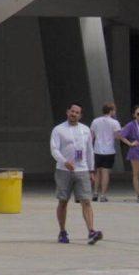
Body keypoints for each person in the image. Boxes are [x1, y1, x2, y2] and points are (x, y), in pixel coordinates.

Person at [50, 102, 103, 245]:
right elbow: (54, 149)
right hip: (64, 170)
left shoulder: (85, 130)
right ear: (67, 112)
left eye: (77, 112)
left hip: (82, 170)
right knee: (63, 201)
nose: (74, 114)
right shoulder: (58, 129)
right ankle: (62, 231)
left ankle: (91, 231)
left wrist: (92, 170)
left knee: (86, 201)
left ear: (80, 115)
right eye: (72, 111)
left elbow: (90, 151)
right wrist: (63, 160)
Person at [89, 103, 121, 202]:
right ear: (111, 111)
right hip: (109, 150)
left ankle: (95, 193)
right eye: (114, 110)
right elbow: (117, 137)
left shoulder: (95, 121)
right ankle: (103, 195)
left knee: (98, 171)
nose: (115, 112)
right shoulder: (115, 122)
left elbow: (91, 136)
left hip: (97, 150)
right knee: (105, 172)